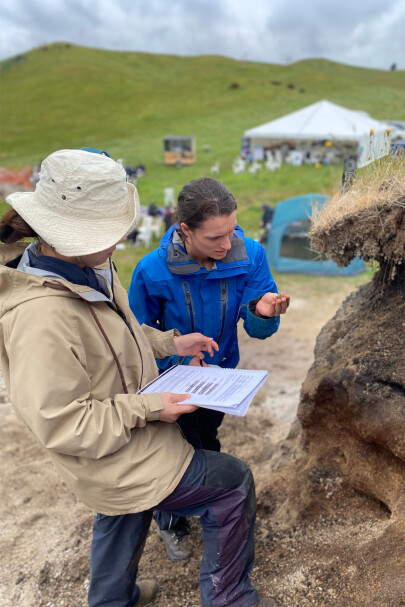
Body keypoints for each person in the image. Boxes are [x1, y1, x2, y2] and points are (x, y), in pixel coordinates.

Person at [0, 150, 280, 607]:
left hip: (122, 444)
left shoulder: (80, 266)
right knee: (231, 482)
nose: (117, 243)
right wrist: (153, 405)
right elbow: (62, 425)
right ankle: (230, 599)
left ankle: (112, 598)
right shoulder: (40, 316)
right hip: (115, 450)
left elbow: (118, 331)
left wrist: (170, 343)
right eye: (108, 234)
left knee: (122, 508)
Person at [128, 176, 290, 562]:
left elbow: (258, 327)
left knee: (208, 444)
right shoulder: (151, 271)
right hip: (170, 383)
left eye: (231, 231)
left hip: (220, 381)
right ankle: (171, 523)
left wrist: (260, 311)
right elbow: (135, 339)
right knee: (171, 454)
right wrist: (177, 360)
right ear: (185, 230)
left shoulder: (249, 254)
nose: (226, 244)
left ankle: (206, 508)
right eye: (215, 237)